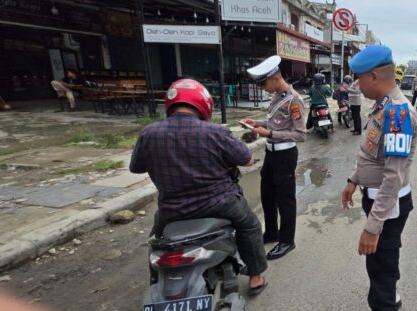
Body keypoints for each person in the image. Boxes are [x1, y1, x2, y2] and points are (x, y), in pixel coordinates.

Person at [129, 78, 269, 295]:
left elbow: (136, 168)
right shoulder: (214, 132)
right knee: (249, 226)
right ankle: (255, 277)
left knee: (157, 242)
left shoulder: (149, 133)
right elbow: (247, 159)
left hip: (172, 209)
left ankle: (157, 283)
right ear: (203, 105)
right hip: (221, 202)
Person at [340, 45, 417, 311]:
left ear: (374, 76)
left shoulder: (398, 113)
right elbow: (374, 156)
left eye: (359, 79)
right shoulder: (381, 106)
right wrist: (353, 180)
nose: (356, 85)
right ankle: (391, 298)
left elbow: (392, 177)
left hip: (388, 206)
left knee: (379, 270)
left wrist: (373, 227)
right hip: (377, 199)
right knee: (387, 259)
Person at [241, 56, 306, 260]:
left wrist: (268, 134)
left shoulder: (293, 100)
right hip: (271, 153)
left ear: (275, 78)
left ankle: (287, 240)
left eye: (263, 83)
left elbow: (300, 134)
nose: (262, 88)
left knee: (285, 200)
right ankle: (271, 232)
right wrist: (256, 122)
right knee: (267, 195)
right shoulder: (278, 96)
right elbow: (275, 122)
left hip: (285, 155)